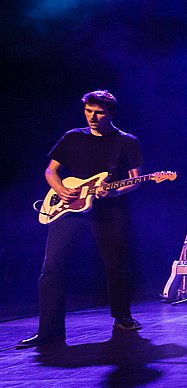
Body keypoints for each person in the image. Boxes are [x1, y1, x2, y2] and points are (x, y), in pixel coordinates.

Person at [18, 90, 144, 349]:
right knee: (51, 268)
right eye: (88, 111)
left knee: (117, 264)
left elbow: (136, 179)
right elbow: (51, 170)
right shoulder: (73, 137)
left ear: (110, 113)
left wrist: (114, 192)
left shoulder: (126, 141)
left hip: (108, 210)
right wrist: (60, 188)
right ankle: (49, 331)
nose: (92, 117)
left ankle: (122, 317)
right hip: (69, 207)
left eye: (99, 113)